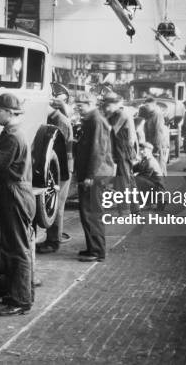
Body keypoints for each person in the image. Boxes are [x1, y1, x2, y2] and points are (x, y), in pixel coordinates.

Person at [0, 93, 37, 316]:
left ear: (9, 112)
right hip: (19, 194)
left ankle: (20, 301)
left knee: (17, 249)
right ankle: (18, 294)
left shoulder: (11, 136)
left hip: (15, 196)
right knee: (16, 247)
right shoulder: (15, 132)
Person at [74, 92, 115, 263]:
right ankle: (93, 247)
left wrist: (90, 175)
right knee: (87, 212)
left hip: (96, 175)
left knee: (92, 213)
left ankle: (98, 251)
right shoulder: (92, 120)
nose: (78, 108)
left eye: (80, 105)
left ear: (90, 103)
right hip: (95, 173)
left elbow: (97, 151)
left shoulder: (96, 121)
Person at [37, 99, 73, 254]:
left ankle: (53, 241)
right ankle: (52, 238)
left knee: (56, 204)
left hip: (62, 169)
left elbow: (60, 150)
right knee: (54, 204)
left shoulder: (61, 122)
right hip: (57, 168)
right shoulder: (55, 119)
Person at [101, 93, 137, 209]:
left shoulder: (121, 114)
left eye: (108, 105)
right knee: (128, 179)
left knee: (123, 181)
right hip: (121, 150)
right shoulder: (115, 113)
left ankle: (125, 210)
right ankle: (135, 208)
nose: (106, 107)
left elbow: (110, 129)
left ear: (115, 104)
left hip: (124, 151)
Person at [143, 98, 169, 176]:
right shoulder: (150, 115)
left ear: (153, 105)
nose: (146, 107)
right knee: (156, 166)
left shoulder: (157, 115)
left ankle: (162, 186)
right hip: (152, 143)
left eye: (147, 105)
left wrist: (157, 146)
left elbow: (159, 132)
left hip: (158, 144)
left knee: (160, 166)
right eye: (145, 105)